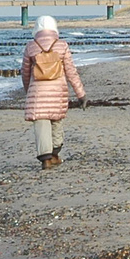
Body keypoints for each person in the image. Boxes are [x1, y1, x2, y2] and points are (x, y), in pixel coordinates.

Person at [20, 15, 87, 169]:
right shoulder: (62, 45)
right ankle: (55, 154)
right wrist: (81, 94)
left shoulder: (31, 46)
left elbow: (25, 73)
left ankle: (46, 159)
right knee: (57, 122)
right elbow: (71, 72)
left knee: (41, 124)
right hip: (58, 92)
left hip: (37, 93)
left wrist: (27, 90)